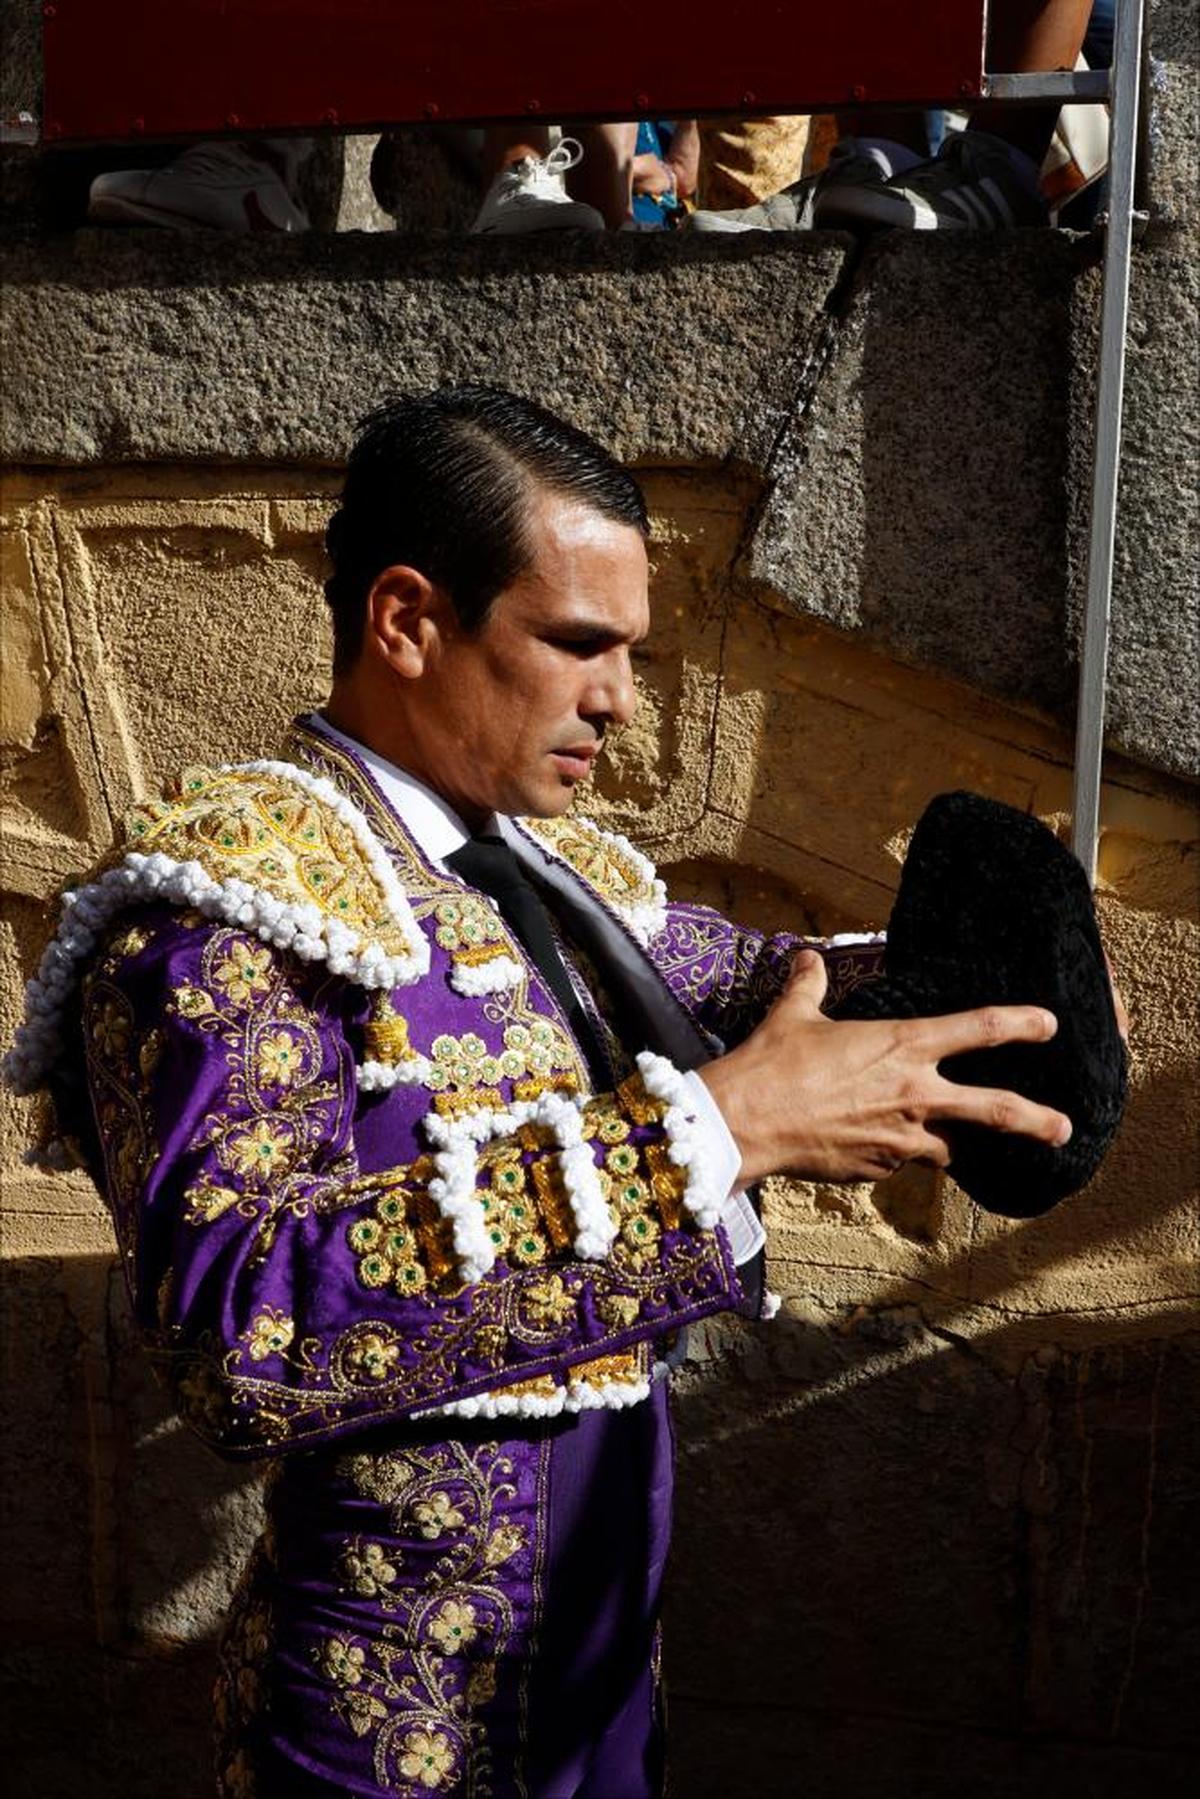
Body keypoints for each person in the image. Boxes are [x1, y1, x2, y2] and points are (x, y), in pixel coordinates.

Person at [5, 385, 1073, 1796]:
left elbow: (770, 986)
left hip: (601, 1683)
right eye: (577, 644)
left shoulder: (557, 886)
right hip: (386, 1727)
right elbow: (237, 1330)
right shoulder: (230, 912)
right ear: (407, 621)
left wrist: (996, 975)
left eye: (626, 650)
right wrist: (718, 1131)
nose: (621, 700)